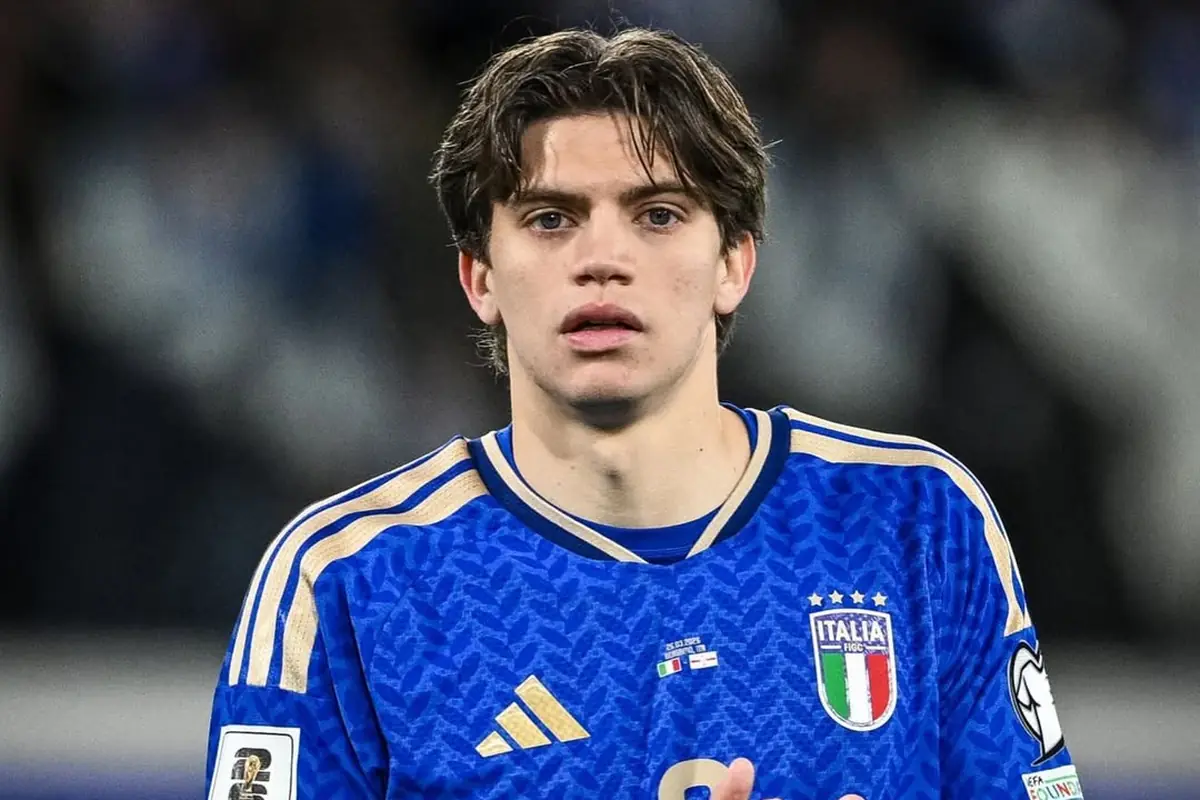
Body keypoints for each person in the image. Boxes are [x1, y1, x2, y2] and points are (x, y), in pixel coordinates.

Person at [204, 26, 1083, 800]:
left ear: (734, 264)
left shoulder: (914, 521)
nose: (603, 258)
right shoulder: (351, 582)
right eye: (551, 219)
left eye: (657, 214)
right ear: (480, 278)